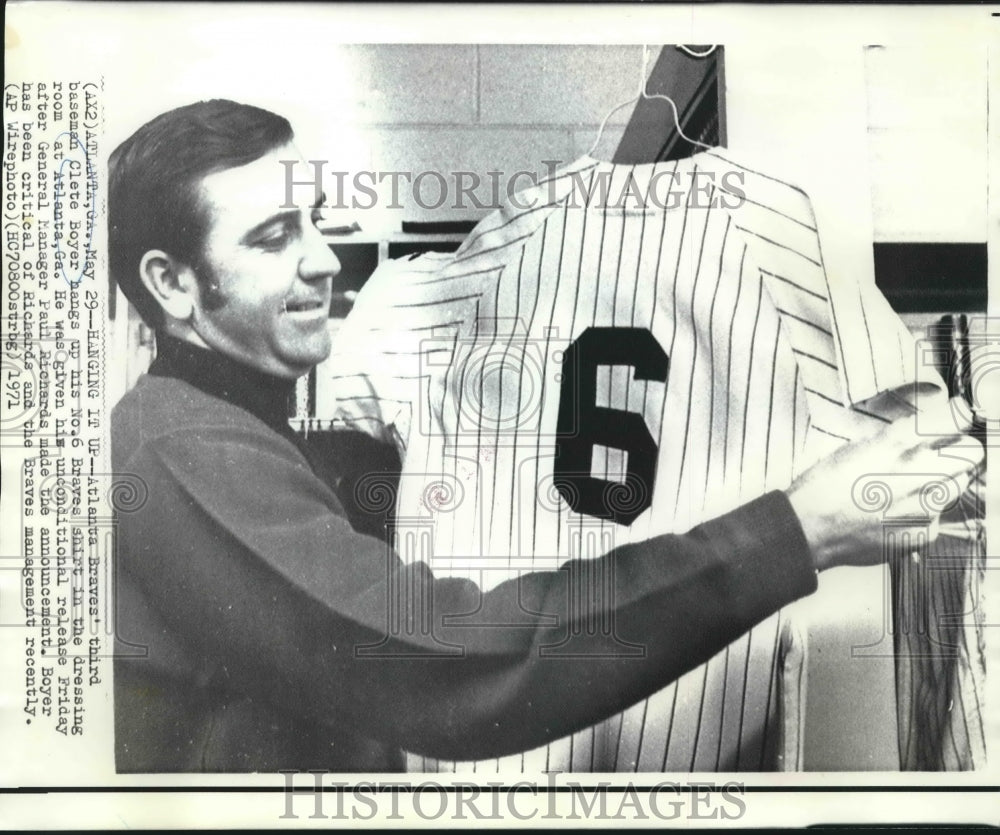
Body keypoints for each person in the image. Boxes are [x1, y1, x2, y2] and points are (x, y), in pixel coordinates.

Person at [108, 99, 982, 772]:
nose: (324, 260)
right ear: (173, 284)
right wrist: (796, 531)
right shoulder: (177, 449)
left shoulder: (239, 426)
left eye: (314, 220)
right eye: (272, 238)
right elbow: (433, 661)